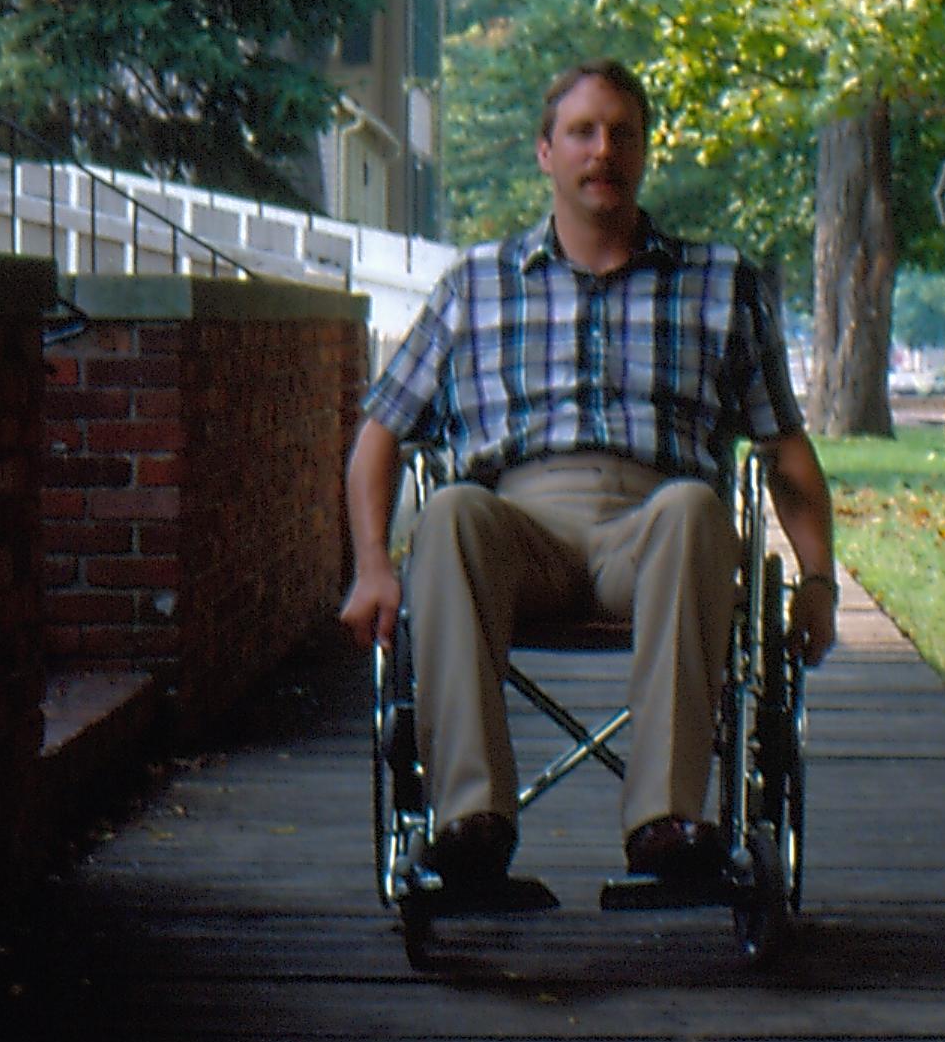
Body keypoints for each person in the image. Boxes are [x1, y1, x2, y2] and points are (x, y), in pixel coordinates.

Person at [339, 58, 838, 898]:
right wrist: (373, 565)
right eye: (581, 131)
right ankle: (469, 823)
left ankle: (666, 824)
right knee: (452, 510)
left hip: (654, 523)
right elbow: (379, 437)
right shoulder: (476, 286)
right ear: (545, 152)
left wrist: (818, 580)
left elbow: (783, 453)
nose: (603, 149)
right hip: (515, 527)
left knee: (693, 507)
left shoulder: (719, 283)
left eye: (623, 133)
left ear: (645, 152)